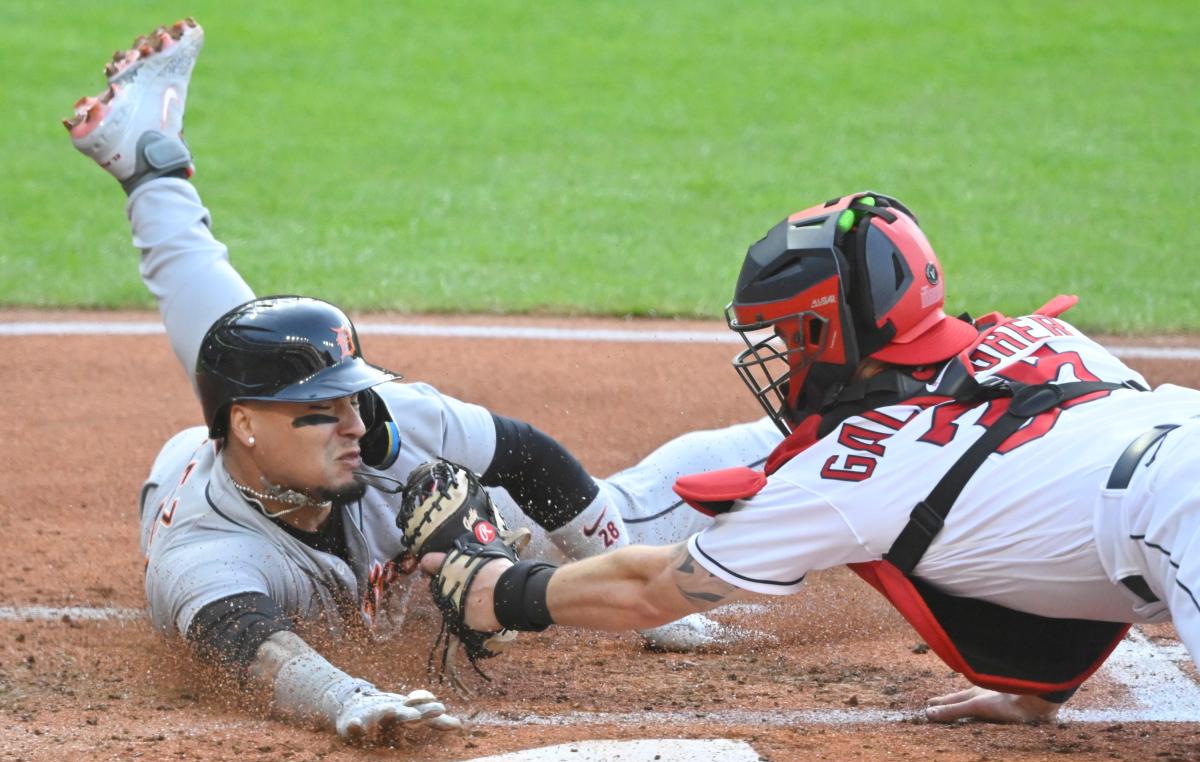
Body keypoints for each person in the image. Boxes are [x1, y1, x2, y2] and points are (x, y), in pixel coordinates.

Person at [64, 20, 781, 743]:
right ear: (248, 426)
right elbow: (245, 642)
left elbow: (530, 457)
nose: (355, 422)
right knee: (251, 367)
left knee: (251, 341)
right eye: (326, 410)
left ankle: (148, 164)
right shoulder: (209, 555)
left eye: (353, 397)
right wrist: (346, 697)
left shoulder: (377, 422)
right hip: (213, 475)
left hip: (257, 436)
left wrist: (644, 591)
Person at [423, 190, 1200, 724]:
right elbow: (1052, 480)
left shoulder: (853, 472)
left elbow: (652, 589)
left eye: (791, 335)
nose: (782, 358)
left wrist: (507, 591)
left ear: (836, 331)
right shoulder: (1048, 338)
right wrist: (1038, 691)